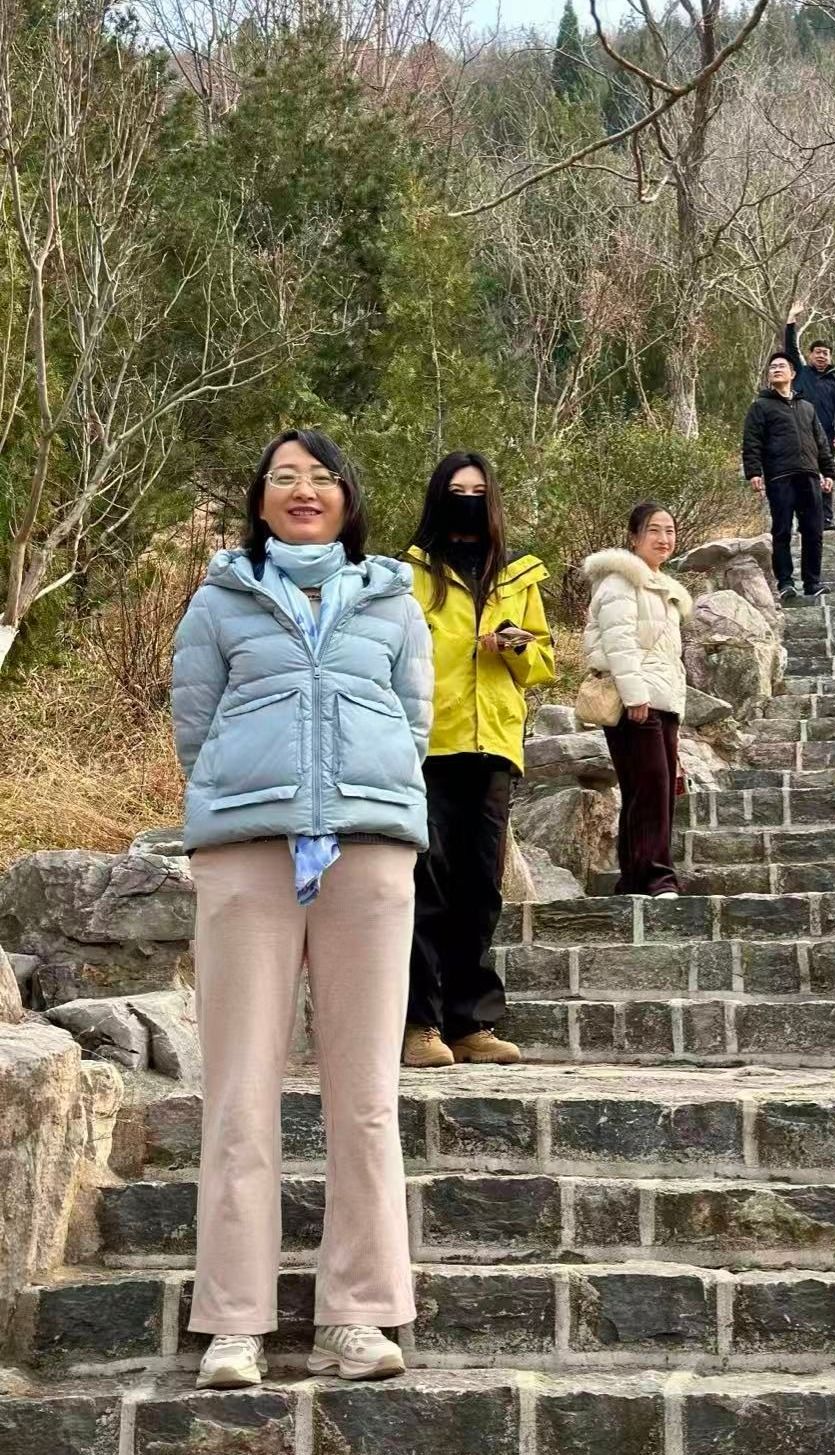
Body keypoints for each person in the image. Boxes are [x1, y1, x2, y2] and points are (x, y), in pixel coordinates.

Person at [172, 428, 431, 1390]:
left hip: (368, 851)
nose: (303, 489)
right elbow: (195, 724)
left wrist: (365, 797)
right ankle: (234, 1322)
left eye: (320, 476)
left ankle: (356, 1315)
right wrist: (252, 798)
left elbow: (413, 719)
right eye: (283, 476)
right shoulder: (219, 599)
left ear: (348, 497)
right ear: (260, 500)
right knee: (240, 1091)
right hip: (248, 853)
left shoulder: (393, 600)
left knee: (365, 1097)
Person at [402, 450, 555, 1069]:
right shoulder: (408, 574)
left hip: (493, 744)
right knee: (425, 883)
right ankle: (419, 1023)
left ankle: (471, 1023)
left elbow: (542, 665)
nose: (467, 501)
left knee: (480, 889)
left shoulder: (517, 575)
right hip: (426, 745)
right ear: (438, 498)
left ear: (492, 501)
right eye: (456, 491)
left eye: (477, 492)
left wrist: (515, 647)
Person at [582, 504, 692, 897]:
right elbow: (619, 642)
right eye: (654, 530)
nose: (664, 539)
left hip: (662, 701)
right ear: (634, 537)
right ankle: (657, 878)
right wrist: (635, 696)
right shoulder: (620, 581)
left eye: (670, 530)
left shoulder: (661, 586)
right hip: (637, 702)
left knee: (650, 790)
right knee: (651, 789)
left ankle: (633, 878)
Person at [742, 351, 835, 600]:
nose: (776, 369)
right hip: (779, 476)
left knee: (814, 530)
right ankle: (785, 582)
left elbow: (821, 442)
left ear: (793, 373)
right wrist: (754, 471)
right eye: (772, 367)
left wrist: (828, 471)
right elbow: (752, 441)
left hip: (809, 475)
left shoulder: (807, 407)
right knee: (782, 530)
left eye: (781, 366)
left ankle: (812, 582)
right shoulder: (760, 406)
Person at [784, 303, 835, 530]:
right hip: (799, 434)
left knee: (827, 475)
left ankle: (826, 518)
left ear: (830, 357)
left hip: (826, 436)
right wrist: (791, 320)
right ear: (810, 355)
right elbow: (791, 348)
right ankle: (805, 520)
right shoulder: (801, 373)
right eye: (818, 352)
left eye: (825, 353)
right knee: (803, 476)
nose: (821, 356)